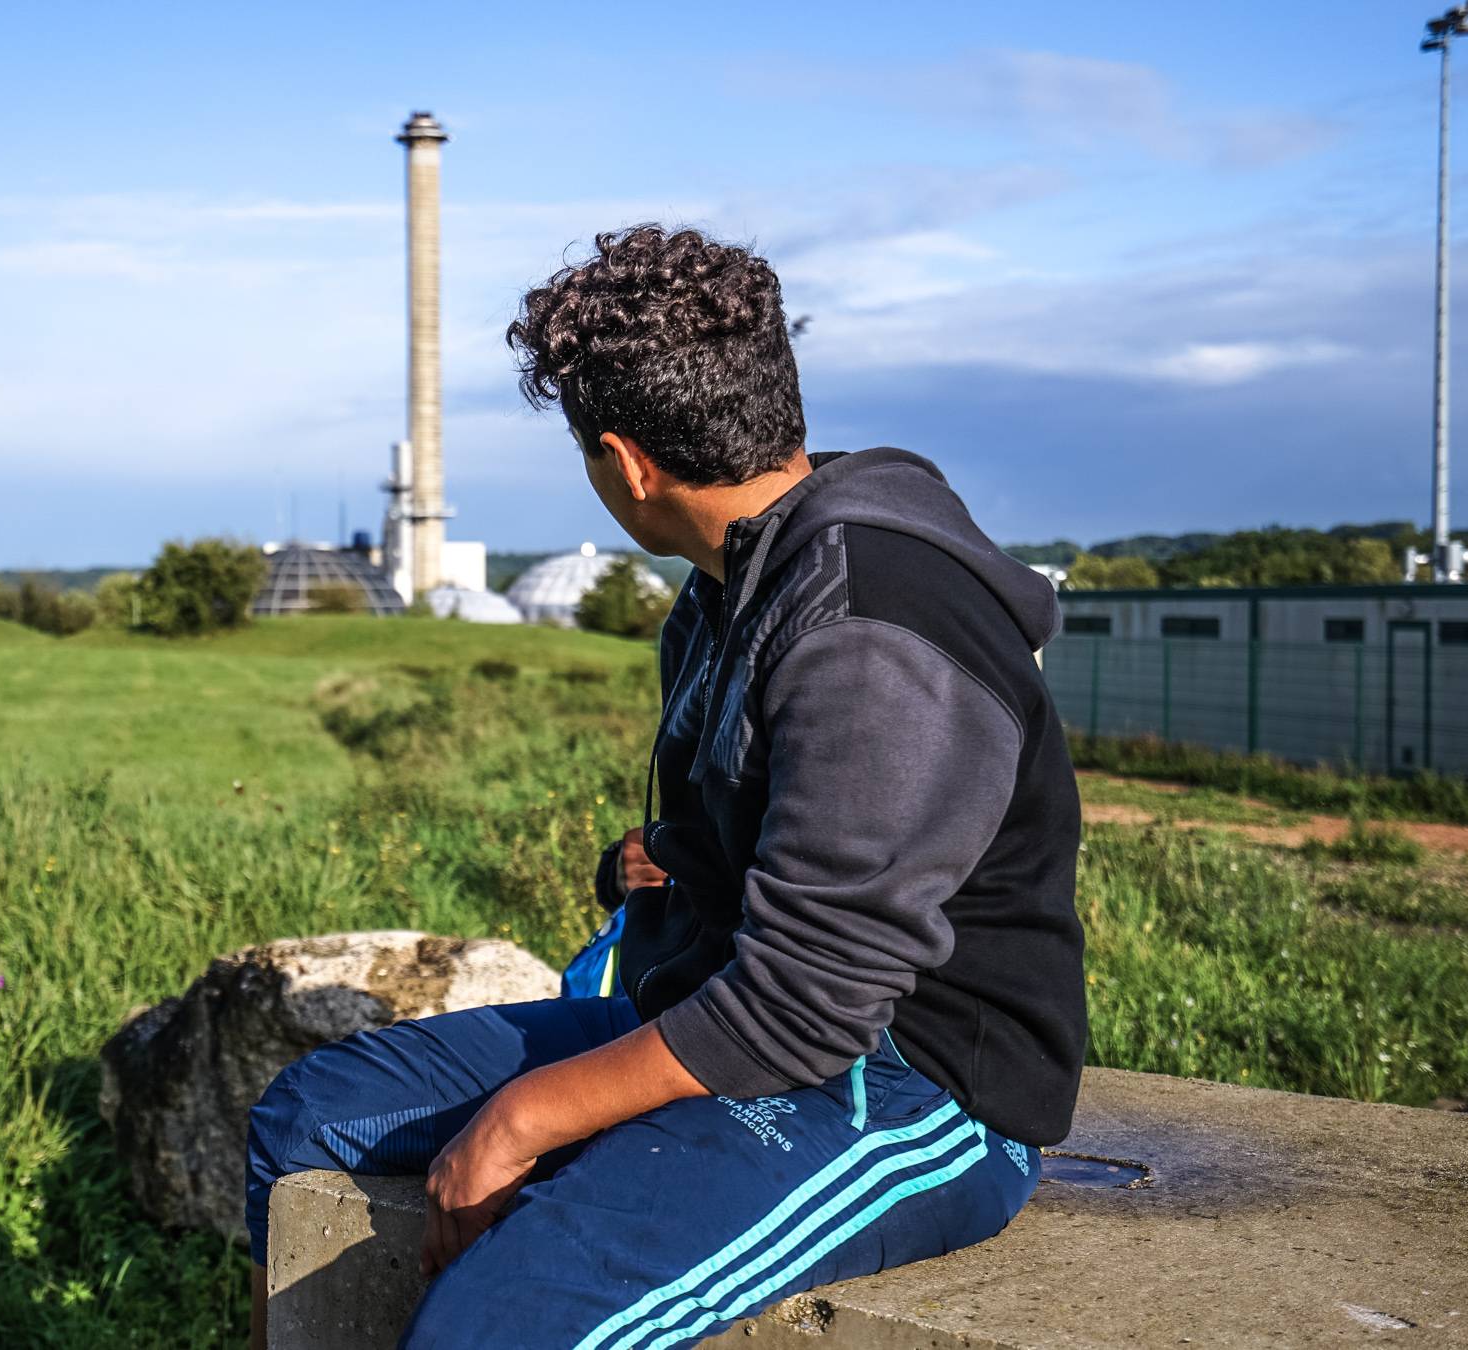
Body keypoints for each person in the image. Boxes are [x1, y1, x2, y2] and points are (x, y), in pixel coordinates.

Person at [245, 224, 1085, 1348]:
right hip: (718, 1012)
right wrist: (663, 865)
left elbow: (816, 996)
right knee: (307, 1119)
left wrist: (528, 1115)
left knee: (502, 1328)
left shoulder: (874, 623)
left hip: (906, 1080)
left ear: (627, 461)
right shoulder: (737, 578)